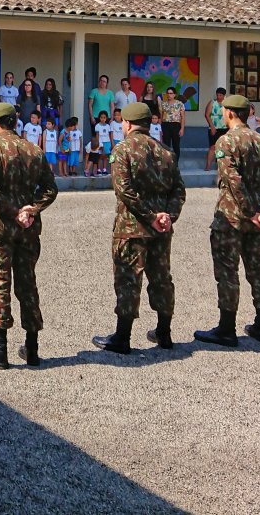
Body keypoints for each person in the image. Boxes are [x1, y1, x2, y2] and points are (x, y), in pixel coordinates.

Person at [93, 102, 186, 354]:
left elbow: (124, 190)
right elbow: (179, 190)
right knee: (162, 278)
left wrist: (149, 216)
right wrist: (167, 216)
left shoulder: (123, 149)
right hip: (161, 230)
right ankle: (164, 333)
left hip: (132, 228)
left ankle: (122, 337)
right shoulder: (166, 152)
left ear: (128, 123)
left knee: (128, 279)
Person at [0, 102, 59, 369]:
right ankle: (32, 348)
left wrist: (13, 211)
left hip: (0, 228)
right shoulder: (34, 150)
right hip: (28, 229)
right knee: (28, 283)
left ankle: (0, 350)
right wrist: (30, 209)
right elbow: (50, 189)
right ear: (15, 123)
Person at [195, 95, 260, 348]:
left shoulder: (227, 141)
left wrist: (251, 211)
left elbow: (233, 181)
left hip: (232, 219)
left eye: (223, 111)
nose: (221, 114)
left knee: (227, 272)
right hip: (257, 222)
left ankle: (226, 328)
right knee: (258, 269)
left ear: (231, 113)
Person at [204, 87, 228, 171]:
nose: (219, 97)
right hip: (214, 127)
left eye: (221, 95)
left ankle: (220, 166)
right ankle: (208, 165)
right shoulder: (212, 102)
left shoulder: (226, 104)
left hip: (224, 128)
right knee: (212, 147)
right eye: (218, 95)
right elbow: (207, 115)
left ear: (224, 95)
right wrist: (212, 127)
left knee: (222, 147)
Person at [159, 86, 185, 159]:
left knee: (176, 145)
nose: (169, 95)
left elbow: (183, 117)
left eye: (171, 93)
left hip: (176, 125)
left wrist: (182, 129)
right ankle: (167, 163)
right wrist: (160, 128)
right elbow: (161, 116)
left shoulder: (179, 104)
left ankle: (175, 163)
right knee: (166, 145)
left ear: (174, 94)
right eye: (168, 93)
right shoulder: (163, 103)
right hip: (165, 125)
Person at [93, 111, 113, 176]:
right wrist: (98, 143)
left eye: (104, 117)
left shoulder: (108, 126)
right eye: (101, 117)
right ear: (99, 118)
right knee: (100, 156)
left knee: (105, 156)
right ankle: (99, 169)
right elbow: (97, 135)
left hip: (107, 142)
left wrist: (110, 143)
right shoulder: (97, 126)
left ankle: (104, 169)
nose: (103, 119)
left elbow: (109, 135)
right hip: (100, 142)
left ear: (106, 118)